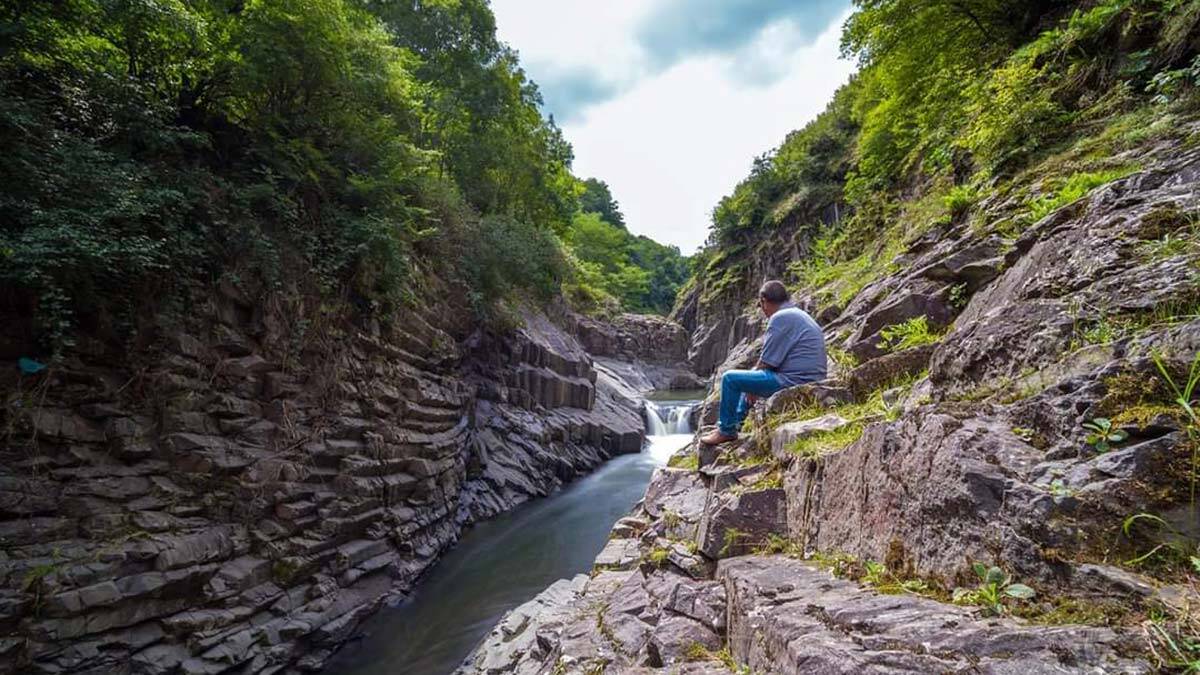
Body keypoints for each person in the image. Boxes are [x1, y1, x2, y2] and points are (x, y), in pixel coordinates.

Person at [699, 280, 827, 445]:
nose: (763, 310)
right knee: (749, 377)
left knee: (730, 379)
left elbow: (767, 362)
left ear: (764, 301)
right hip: (811, 377)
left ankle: (726, 430)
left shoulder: (780, 317)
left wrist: (752, 386)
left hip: (796, 380)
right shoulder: (797, 314)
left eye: (761, 305)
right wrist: (752, 383)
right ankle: (736, 423)